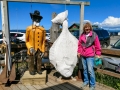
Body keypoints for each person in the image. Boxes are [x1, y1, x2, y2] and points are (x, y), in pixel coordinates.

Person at [77, 22, 101, 90]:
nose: (87, 28)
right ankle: (86, 81)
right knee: (84, 70)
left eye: (88, 27)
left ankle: (92, 85)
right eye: (85, 27)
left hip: (90, 55)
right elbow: (79, 45)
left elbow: (97, 45)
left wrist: (98, 54)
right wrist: (79, 52)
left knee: (90, 70)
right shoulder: (82, 35)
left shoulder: (94, 35)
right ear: (84, 28)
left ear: (90, 28)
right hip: (83, 55)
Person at [25, 10, 46, 75]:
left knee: (39, 59)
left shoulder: (42, 30)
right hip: (32, 48)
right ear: (32, 18)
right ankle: (31, 70)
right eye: (35, 18)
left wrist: (43, 50)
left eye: (38, 18)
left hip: (39, 48)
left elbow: (43, 41)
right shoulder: (29, 28)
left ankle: (39, 69)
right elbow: (27, 40)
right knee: (31, 60)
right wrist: (30, 47)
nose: (37, 20)